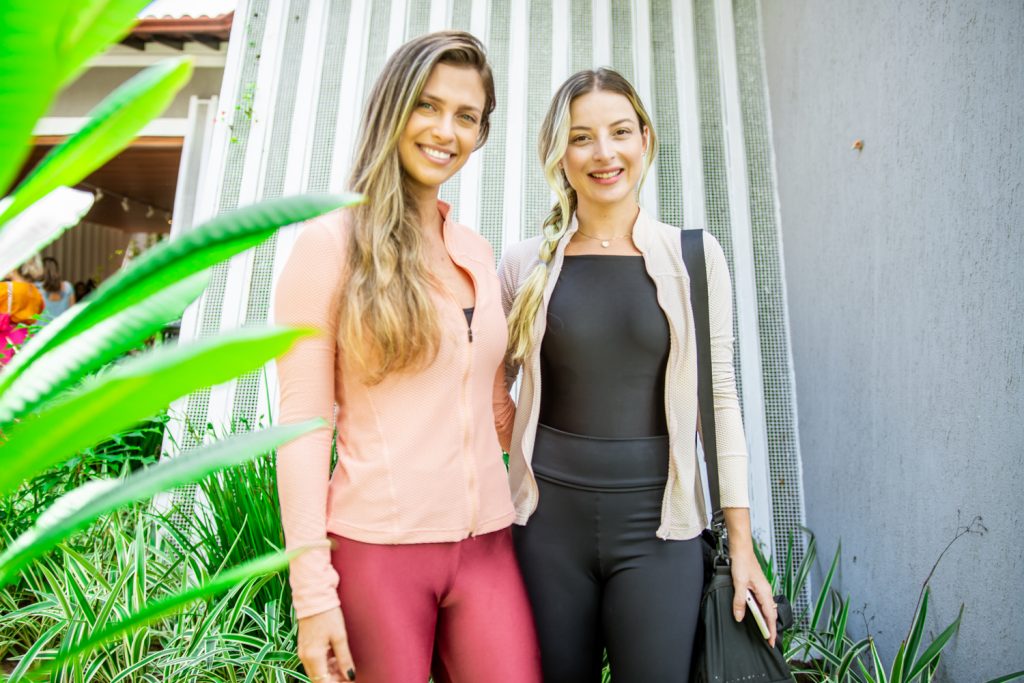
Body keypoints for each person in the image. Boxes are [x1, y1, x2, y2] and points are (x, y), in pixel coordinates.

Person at [274, 31, 541, 683]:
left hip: (488, 547)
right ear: (392, 107)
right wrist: (313, 597)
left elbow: (497, 404)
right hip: (378, 551)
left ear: (480, 133)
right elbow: (304, 429)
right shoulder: (331, 244)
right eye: (428, 105)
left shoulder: (478, 252)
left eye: (466, 116)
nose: (445, 129)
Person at [499, 68, 777, 682]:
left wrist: (742, 543)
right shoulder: (524, 263)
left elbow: (720, 401)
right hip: (546, 529)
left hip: (662, 530)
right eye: (582, 137)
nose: (605, 153)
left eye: (621, 131)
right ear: (559, 154)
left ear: (646, 139)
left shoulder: (695, 258)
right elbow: (487, 390)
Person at [1, 262, 45, 366]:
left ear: (14, 268)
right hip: (25, 338)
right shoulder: (35, 292)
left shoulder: (4, 288)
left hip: (4, 339)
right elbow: (40, 309)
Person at [36, 256, 75, 324]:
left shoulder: (37, 288)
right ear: (56, 270)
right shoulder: (68, 287)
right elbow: (72, 313)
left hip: (40, 332)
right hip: (61, 331)